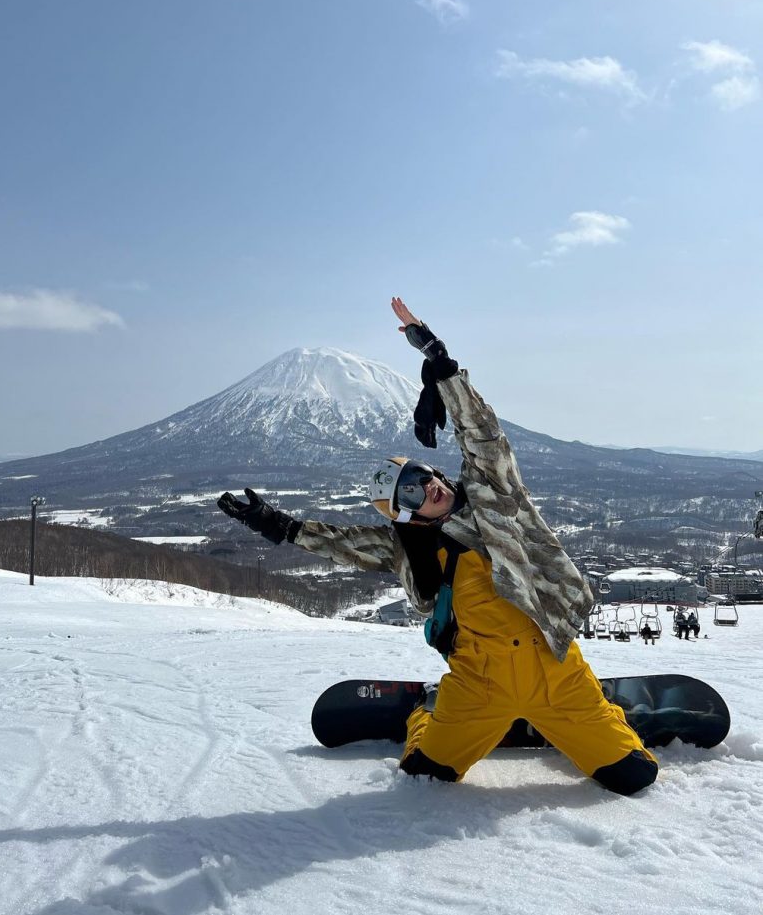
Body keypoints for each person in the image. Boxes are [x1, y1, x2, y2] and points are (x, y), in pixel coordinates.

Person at [218, 298, 658, 797]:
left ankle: (583, 715)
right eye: (410, 491)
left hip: (555, 673)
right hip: (478, 683)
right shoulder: (405, 551)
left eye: (424, 475)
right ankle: (427, 710)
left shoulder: (497, 502)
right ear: (404, 515)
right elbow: (340, 544)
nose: (427, 486)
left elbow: (483, 436)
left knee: (635, 776)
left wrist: (439, 364)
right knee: (425, 777)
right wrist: (272, 522)